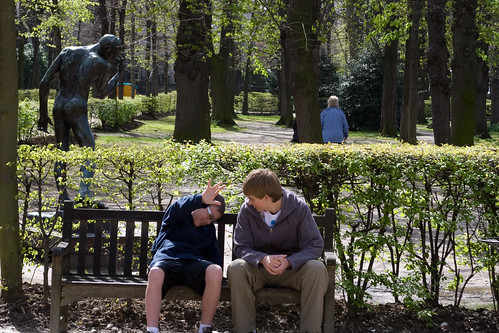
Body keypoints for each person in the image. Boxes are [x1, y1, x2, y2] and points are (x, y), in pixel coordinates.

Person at [227, 169, 328, 333]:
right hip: (259, 270)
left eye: (252, 198)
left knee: (317, 269)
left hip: (292, 272)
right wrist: (262, 259)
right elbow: (241, 246)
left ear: (266, 196)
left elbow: (315, 245)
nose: (249, 202)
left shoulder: (299, 209)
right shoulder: (247, 210)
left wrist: (289, 261)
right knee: (236, 268)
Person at [38, 34, 126, 206]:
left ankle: (63, 198)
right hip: (76, 107)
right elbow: (101, 94)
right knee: (89, 149)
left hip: (59, 105)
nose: (116, 56)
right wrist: (119, 73)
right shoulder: (103, 64)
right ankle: (84, 193)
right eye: (116, 52)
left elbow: (44, 81)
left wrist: (43, 113)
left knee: (61, 151)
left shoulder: (68, 51)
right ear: (107, 49)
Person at [145, 179, 226, 333]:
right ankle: (152, 330)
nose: (208, 221)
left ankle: (205, 328)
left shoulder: (208, 230)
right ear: (198, 205)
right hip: (168, 260)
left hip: (192, 264)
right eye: (209, 215)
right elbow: (178, 207)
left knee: (215, 271)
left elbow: (214, 255)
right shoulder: (177, 217)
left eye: (213, 220)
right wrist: (199, 199)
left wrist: (217, 275)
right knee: (155, 272)